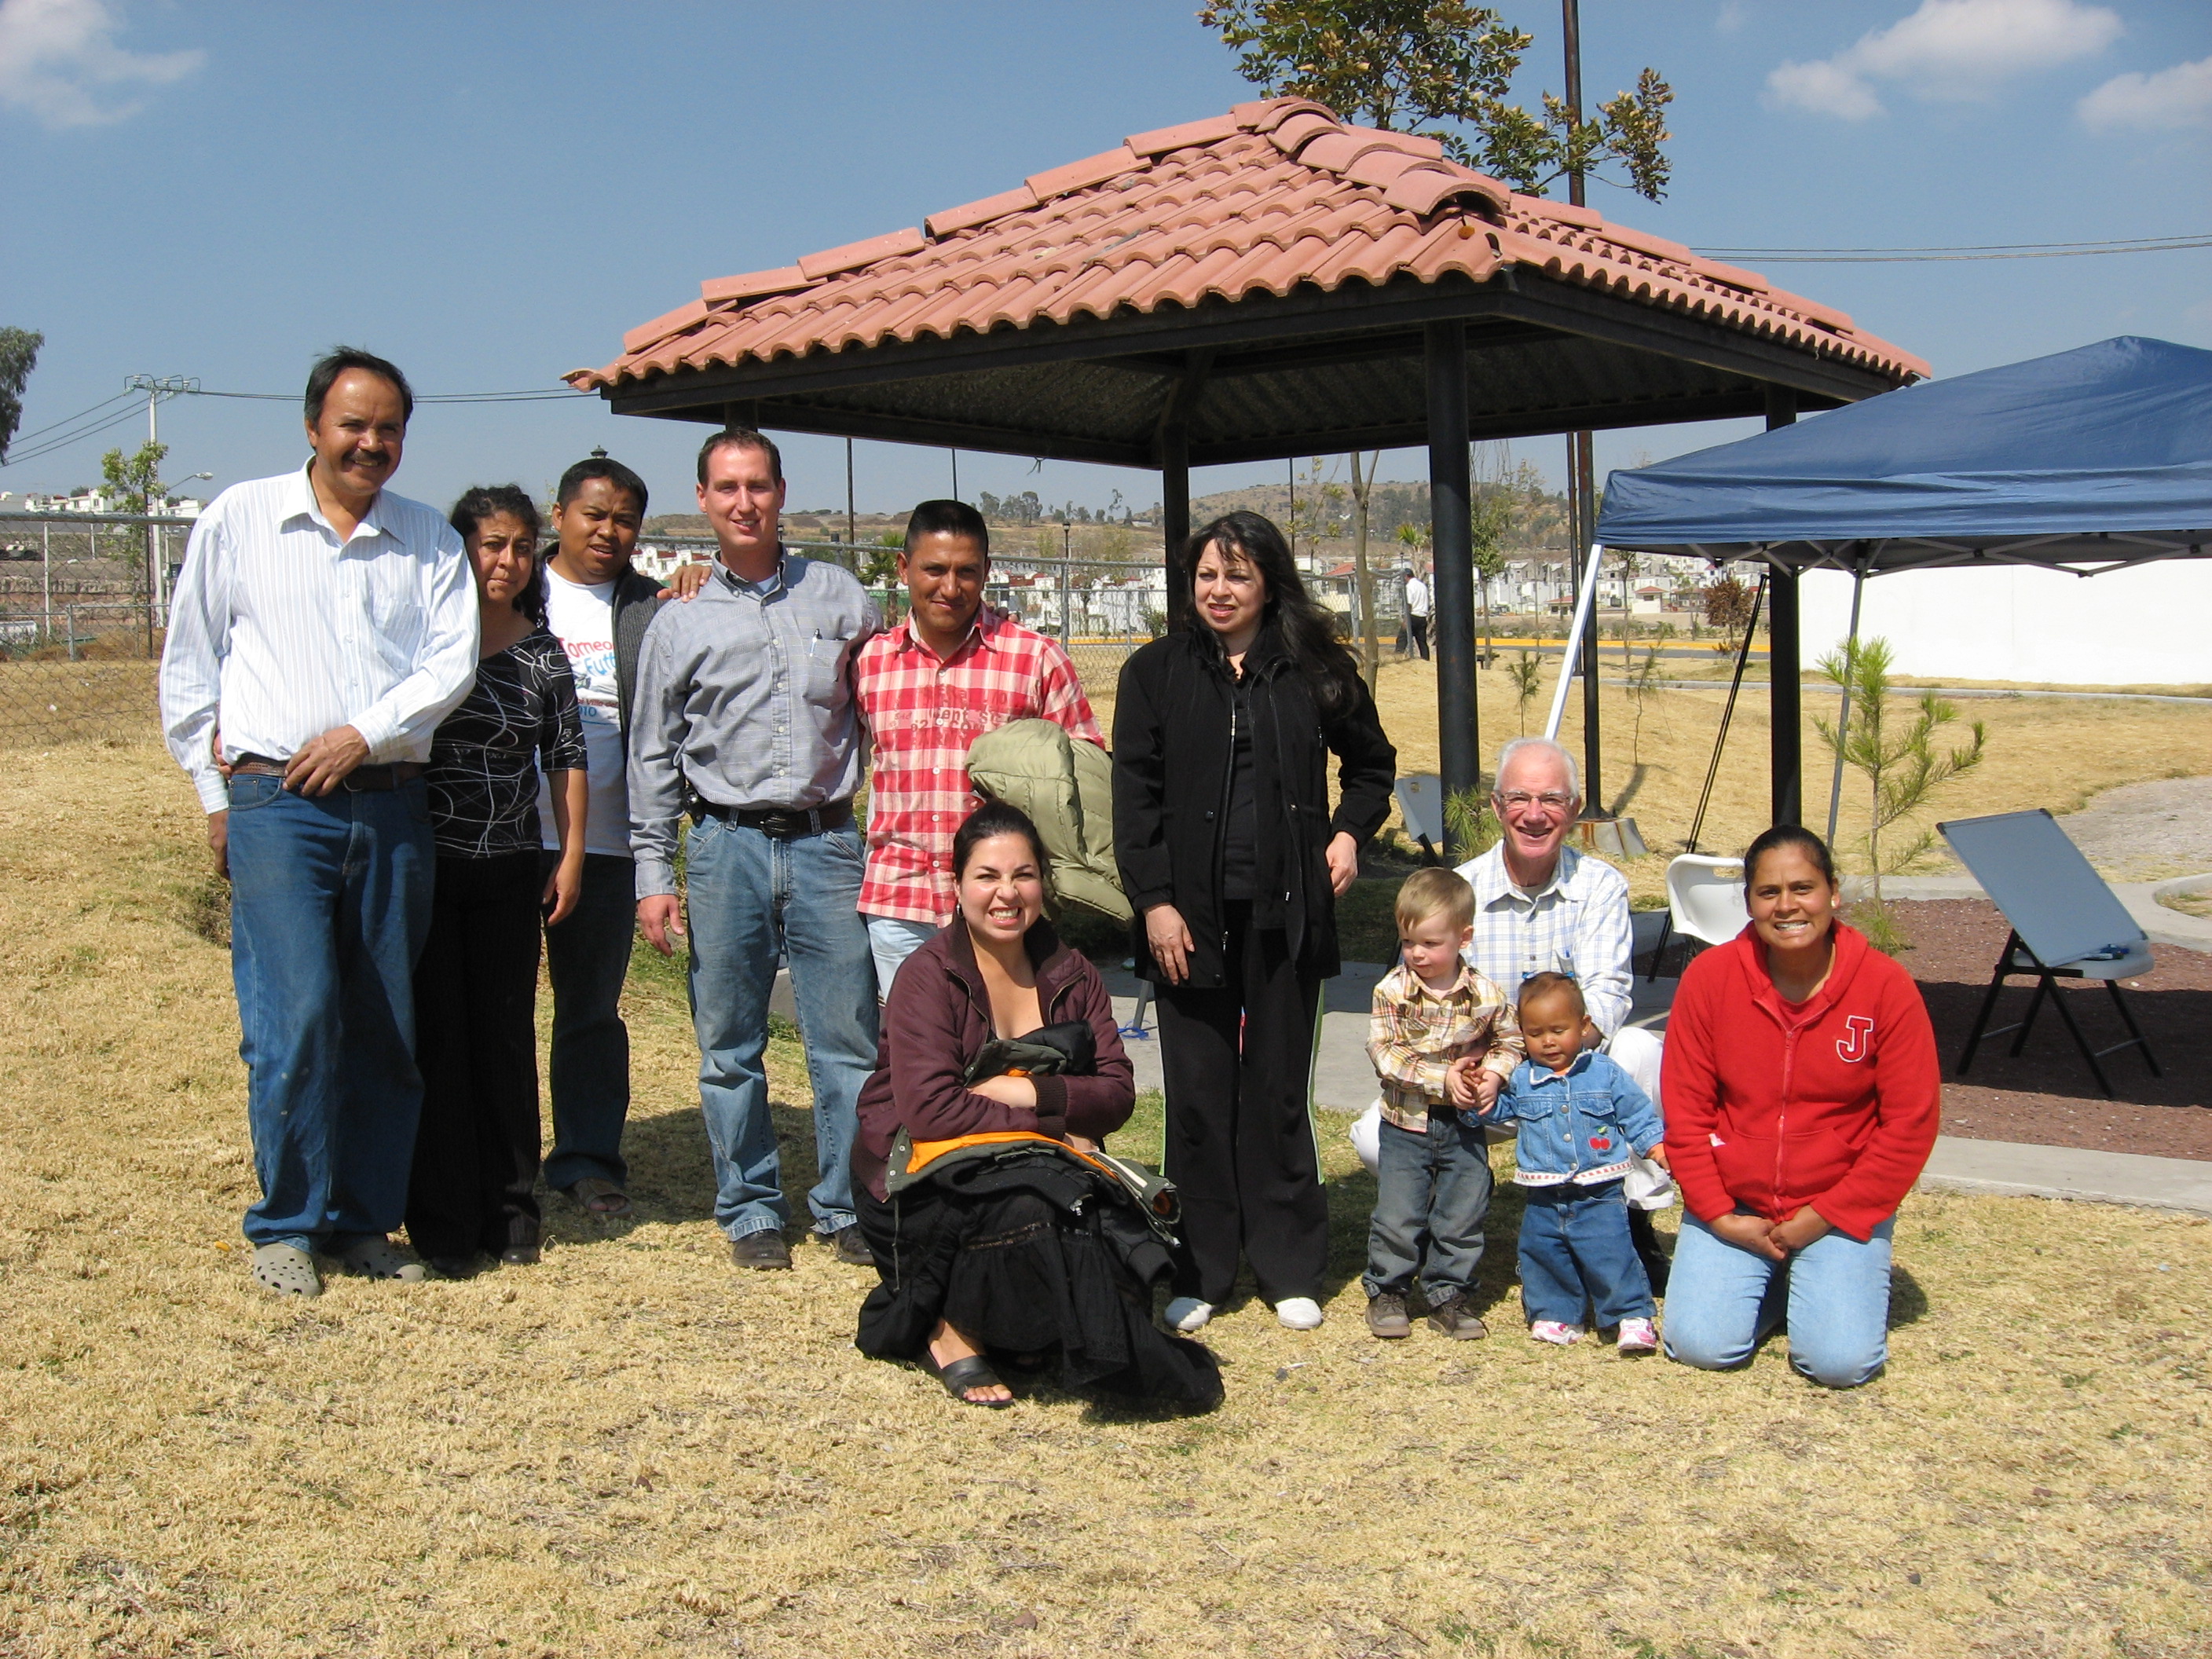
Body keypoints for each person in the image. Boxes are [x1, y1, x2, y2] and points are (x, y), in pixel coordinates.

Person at [158, 347, 477, 1296]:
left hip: (388, 804)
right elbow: (190, 669)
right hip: (276, 804)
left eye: (388, 429)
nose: (370, 444)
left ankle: (360, 1223)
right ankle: (286, 1224)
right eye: (353, 425)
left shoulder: (428, 538)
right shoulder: (241, 520)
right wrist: (216, 800)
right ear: (312, 427)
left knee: (383, 1024)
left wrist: (362, 735)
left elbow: (449, 665)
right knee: (295, 1016)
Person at [1114, 510, 1397, 1334]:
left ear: (1268, 581)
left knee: (1276, 1090)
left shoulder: (1314, 670)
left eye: (1236, 574)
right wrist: (1156, 902)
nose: (1219, 590)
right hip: (1185, 923)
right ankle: (1198, 1268)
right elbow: (1133, 799)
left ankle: (1287, 1265)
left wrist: (1346, 833)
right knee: (1197, 1097)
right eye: (1206, 575)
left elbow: (1372, 767)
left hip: (1287, 915)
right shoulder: (1154, 673)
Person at [851, 802, 1219, 1408]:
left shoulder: (1074, 975)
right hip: (918, 1179)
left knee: (1104, 1232)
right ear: (958, 884)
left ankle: (1016, 1325)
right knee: (1031, 1208)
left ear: (1042, 882)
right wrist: (1055, 1128)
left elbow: (1116, 1097)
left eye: (1022, 875)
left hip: (1046, 1164)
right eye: (987, 876)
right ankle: (948, 1328)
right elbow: (931, 1111)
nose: (1007, 894)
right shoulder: (928, 976)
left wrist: (1031, 1092)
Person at [631, 427, 881, 1271]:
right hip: (723, 848)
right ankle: (750, 1209)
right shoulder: (680, 620)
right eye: (726, 488)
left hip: (826, 845)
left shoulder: (843, 599)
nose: (744, 503)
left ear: (782, 492)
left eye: (759, 486)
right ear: (702, 499)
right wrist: (650, 874)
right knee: (729, 1041)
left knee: (846, 1037)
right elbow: (652, 756)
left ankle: (846, 1203)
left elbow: (881, 707)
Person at [1660, 826, 1940, 1390]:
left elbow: (1909, 1125)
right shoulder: (1710, 981)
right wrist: (1718, 1214)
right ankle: (1771, 1280)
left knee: (1839, 1364)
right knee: (1700, 1345)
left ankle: (1803, 1276)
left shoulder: (1886, 987)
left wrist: (1819, 1219)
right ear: (1748, 903)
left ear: (1833, 893)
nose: (1786, 906)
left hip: (1836, 1204)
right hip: (1737, 1202)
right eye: (1768, 893)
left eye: (1803, 888)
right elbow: (1685, 1112)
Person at [405, 487, 587, 1278]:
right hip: (426, 867)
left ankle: (513, 1213)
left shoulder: (544, 656)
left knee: (505, 1039)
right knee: (438, 1040)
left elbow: (566, 760)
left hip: (511, 869)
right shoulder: (421, 642)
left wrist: (570, 856)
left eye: (519, 546)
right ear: (459, 550)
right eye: (489, 544)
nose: (505, 560)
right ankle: (445, 1221)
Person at [533, 454, 706, 1222]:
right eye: (593, 513)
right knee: (493, 1008)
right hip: (505, 840)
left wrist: (708, 585)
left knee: (589, 1010)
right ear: (558, 513)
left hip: (606, 846)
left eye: (625, 519)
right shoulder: (510, 589)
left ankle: (586, 1157)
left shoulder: (652, 606)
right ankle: (495, 1155)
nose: (609, 530)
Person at [851, 497, 1101, 999]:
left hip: (1002, 907)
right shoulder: (869, 663)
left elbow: (1087, 782)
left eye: (966, 571)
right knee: (916, 1060)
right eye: (934, 569)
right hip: (899, 905)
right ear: (904, 569)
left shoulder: (1035, 661)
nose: (950, 587)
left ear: (987, 571)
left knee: (1003, 1057)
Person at [1452, 734, 1672, 1292]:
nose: (1534, 814)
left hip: (1576, 1076)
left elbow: (1607, 999)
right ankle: (1443, 1224)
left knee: (1641, 1050)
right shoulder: (1462, 892)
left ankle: (1632, 1215)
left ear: (1574, 810)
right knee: (1376, 1141)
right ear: (1498, 807)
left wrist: (1526, 1055)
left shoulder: (1600, 887)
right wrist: (1494, 1068)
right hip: (1494, 1086)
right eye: (1519, 799)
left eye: (1551, 799)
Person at [1361, 867, 1522, 1342]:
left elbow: (1510, 1042)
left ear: (1463, 938)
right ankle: (1388, 1290)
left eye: (1430, 943)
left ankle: (1449, 1294)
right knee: (1399, 1212)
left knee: (1462, 1212)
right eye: (1409, 941)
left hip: (1465, 1126)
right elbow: (1384, 1053)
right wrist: (1442, 1078)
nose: (1417, 953)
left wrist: (1493, 1074)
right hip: (1405, 1124)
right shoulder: (1392, 990)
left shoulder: (1487, 995)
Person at [1477, 973, 1668, 1352]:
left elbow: (1637, 1115)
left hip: (1598, 1189)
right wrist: (1475, 1099)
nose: (1548, 1041)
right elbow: (1499, 1111)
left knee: (1611, 1250)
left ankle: (1631, 1315)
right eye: (1535, 1033)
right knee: (1543, 1252)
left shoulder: (1604, 1073)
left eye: (1559, 1030)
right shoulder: (1522, 1079)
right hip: (1544, 1191)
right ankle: (1557, 1313)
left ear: (1583, 1027)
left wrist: (1656, 1148)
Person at [1404, 566, 1431, 660]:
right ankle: (1426, 658)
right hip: (1422, 616)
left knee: (1403, 637)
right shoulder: (1422, 585)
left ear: (1406, 576)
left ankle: (1398, 656)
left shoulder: (1409, 586)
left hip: (1413, 615)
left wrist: (1406, 619)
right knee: (1422, 641)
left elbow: (1409, 604)